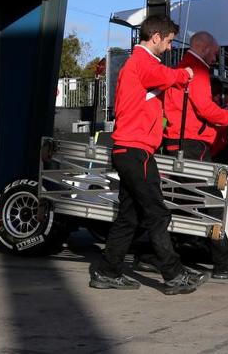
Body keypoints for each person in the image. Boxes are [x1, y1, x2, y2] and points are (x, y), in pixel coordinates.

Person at [89, 15, 206, 295]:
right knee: (156, 214)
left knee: (129, 217)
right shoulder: (143, 62)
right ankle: (173, 275)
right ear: (155, 36)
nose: (168, 48)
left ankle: (108, 271)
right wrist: (186, 73)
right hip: (136, 150)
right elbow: (169, 76)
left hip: (130, 150)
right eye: (167, 42)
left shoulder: (139, 63)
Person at [162, 31, 228, 280]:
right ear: (203, 48)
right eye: (215, 51)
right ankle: (225, 263)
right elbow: (205, 109)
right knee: (211, 204)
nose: (216, 57)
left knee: (184, 202)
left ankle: (163, 251)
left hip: (179, 145)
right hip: (193, 147)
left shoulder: (183, 69)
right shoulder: (198, 71)